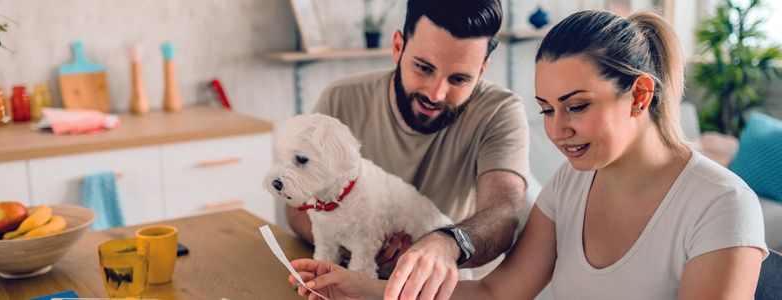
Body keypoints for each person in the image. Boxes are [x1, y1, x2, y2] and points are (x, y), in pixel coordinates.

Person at [287, 10, 770, 300]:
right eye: (546, 109)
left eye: (577, 106)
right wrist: (360, 287)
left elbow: (501, 209)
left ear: (640, 96)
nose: (558, 131)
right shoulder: (570, 182)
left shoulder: (721, 206)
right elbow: (496, 293)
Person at [285, 0, 531, 298]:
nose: (436, 93)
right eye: (424, 68)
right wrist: (360, 243)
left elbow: (503, 212)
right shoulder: (340, 100)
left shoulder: (500, 111)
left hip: (451, 291)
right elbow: (297, 204)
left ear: (481, 70)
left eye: (459, 79)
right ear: (398, 46)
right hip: (349, 283)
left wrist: (446, 244)